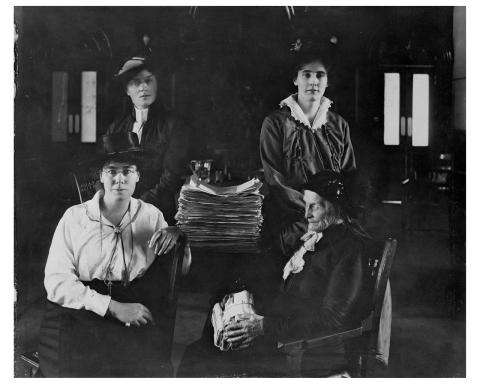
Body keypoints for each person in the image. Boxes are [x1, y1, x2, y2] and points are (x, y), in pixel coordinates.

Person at [178, 170, 373, 377]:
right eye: (306, 205)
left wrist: (263, 326)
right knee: (201, 347)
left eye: (314, 206)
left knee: (201, 360)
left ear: (335, 205)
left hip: (303, 348)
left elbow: (332, 318)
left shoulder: (349, 249)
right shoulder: (317, 239)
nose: (306, 214)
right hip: (279, 331)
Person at [37, 133, 189, 377]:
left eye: (127, 171)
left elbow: (179, 270)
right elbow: (57, 283)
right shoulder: (75, 217)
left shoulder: (151, 215)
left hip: (132, 305)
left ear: (138, 176)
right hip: (79, 310)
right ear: (101, 176)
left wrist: (179, 237)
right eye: (112, 171)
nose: (120, 179)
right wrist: (113, 307)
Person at [260, 50, 356, 260]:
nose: (314, 81)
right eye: (306, 74)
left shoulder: (339, 125)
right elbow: (275, 181)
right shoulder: (275, 124)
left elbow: (349, 177)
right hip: (294, 219)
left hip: (335, 219)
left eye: (320, 75)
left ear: (327, 81)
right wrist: (313, 211)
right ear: (295, 79)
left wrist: (334, 213)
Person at [106, 56, 190, 223]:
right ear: (127, 89)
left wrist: (139, 205)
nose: (143, 87)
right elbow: (106, 170)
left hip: (160, 211)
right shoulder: (116, 127)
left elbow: (171, 177)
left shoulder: (173, 125)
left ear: (156, 84)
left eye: (148, 80)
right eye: (136, 82)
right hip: (120, 212)